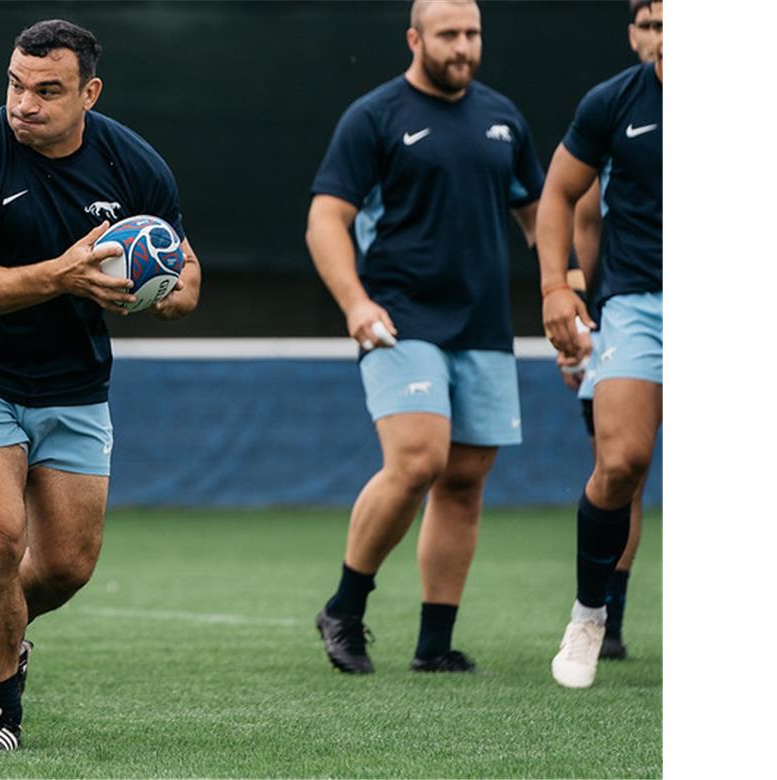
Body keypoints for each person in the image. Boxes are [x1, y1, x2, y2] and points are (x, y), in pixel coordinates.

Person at [0, 18, 201, 751]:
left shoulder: (132, 164)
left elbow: (187, 275)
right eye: (16, 85)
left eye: (48, 90)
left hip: (73, 383)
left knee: (69, 567)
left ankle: (2, 626)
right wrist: (61, 276)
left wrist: (158, 290)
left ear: (89, 93)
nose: (25, 104)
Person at [305, 0, 542, 675]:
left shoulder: (503, 116)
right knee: (418, 458)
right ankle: (345, 608)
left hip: (485, 325)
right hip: (399, 318)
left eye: (472, 34)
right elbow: (326, 221)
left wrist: (566, 284)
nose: (463, 46)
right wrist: (355, 302)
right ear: (415, 38)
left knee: (464, 480)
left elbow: (538, 215)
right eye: (449, 35)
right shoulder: (375, 117)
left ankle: (434, 644)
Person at [539, 0, 662, 690]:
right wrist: (559, 288)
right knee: (620, 463)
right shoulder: (614, 102)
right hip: (639, 303)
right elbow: (560, 193)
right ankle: (591, 616)